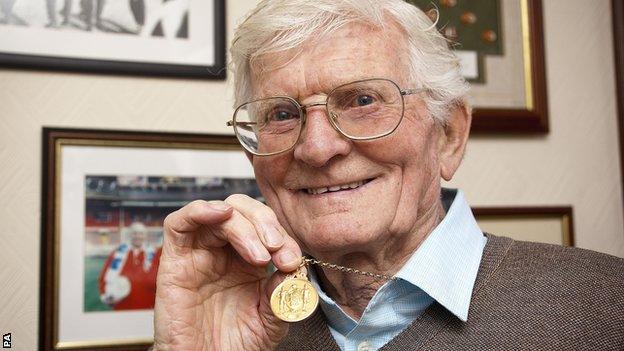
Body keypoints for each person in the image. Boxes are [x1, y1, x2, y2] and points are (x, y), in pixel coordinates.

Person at [152, 0, 624, 350]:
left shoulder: (605, 305)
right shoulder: (238, 322)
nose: (316, 148)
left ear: (449, 135)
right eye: (281, 113)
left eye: (362, 101)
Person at [98, 222, 160, 310]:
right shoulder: (117, 254)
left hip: (148, 306)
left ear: (145, 236)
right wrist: (106, 295)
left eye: (141, 233)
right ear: (130, 235)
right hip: (123, 307)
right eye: (135, 233)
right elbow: (103, 278)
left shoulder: (154, 254)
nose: (138, 236)